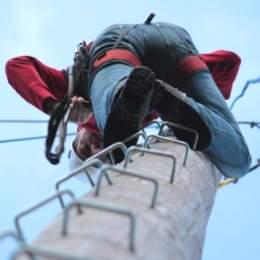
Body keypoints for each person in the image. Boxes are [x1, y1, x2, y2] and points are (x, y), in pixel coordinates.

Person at [5, 18, 251, 179]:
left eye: (84, 149)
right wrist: (199, 107)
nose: (96, 148)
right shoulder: (144, 115)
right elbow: (229, 62)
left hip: (118, 48)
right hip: (177, 50)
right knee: (238, 163)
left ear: (77, 135)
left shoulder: (73, 90)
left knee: (114, 116)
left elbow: (17, 66)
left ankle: (126, 98)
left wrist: (55, 107)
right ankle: (161, 99)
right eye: (100, 155)